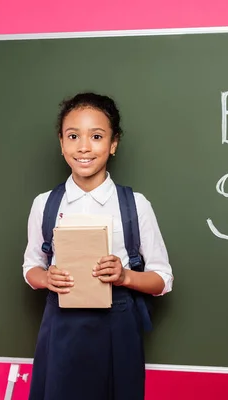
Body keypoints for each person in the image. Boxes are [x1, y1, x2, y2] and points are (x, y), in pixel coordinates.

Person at [22, 92, 173, 400]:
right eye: (73, 136)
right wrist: (46, 277)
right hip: (60, 329)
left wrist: (125, 276)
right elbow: (30, 267)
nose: (84, 147)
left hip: (118, 330)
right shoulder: (44, 204)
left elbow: (162, 279)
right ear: (62, 143)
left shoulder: (135, 205)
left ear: (113, 144)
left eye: (97, 136)